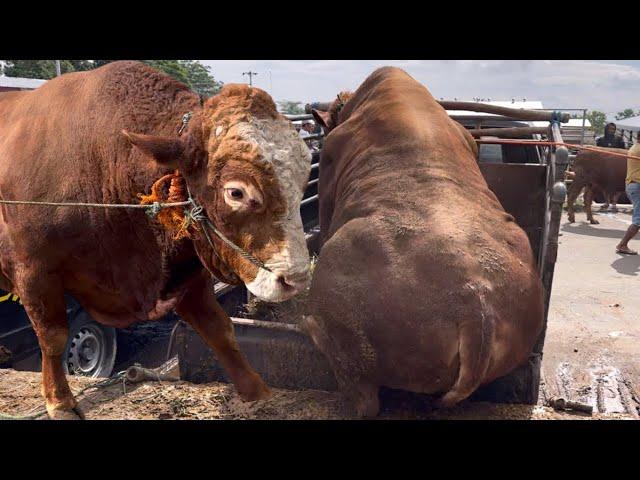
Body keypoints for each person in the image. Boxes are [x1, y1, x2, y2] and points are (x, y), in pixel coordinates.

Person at [615, 143, 640, 254]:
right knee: (638, 220)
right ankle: (623, 244)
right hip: (637, 185)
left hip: (632, 184)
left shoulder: (634, 147)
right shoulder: (638, 150)